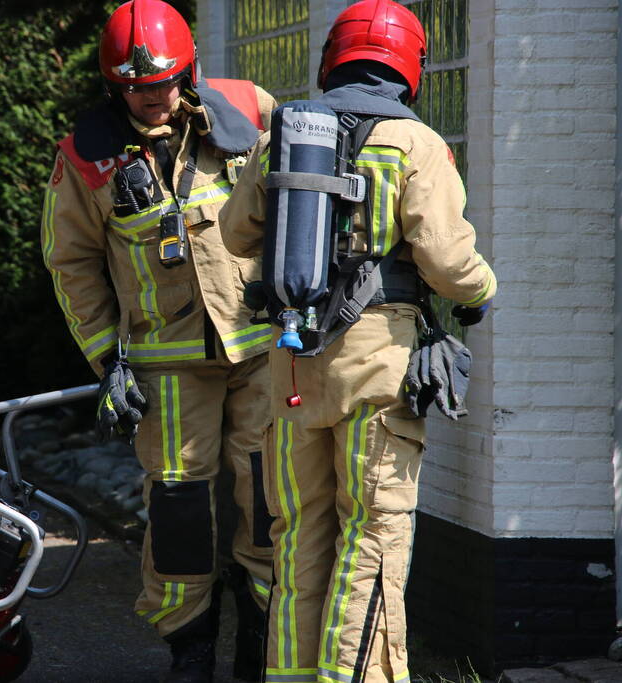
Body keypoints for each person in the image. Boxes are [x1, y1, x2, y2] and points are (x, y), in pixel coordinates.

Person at [218, 1, 497, 681]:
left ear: (331, 59)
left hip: (290, 360)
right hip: (376, 364)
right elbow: (445, 261)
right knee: (368, 539)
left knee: (298, 540)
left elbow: (232, 232)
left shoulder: (286, 130)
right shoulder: (415, 144)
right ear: (410, 67)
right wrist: (480, 291)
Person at [39, 1, 279, 680]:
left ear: (189, 69)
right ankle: (190, 649)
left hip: (261, 353)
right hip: (166, 370)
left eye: (166, 82)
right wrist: (105, 357)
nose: (155, 98)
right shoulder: (86, 158)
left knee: (266, 502)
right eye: (138, 88)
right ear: (115, 86)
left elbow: (301, 196)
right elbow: (71, 262)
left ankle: (260, 645)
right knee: (178, 512)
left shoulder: (248, 111)